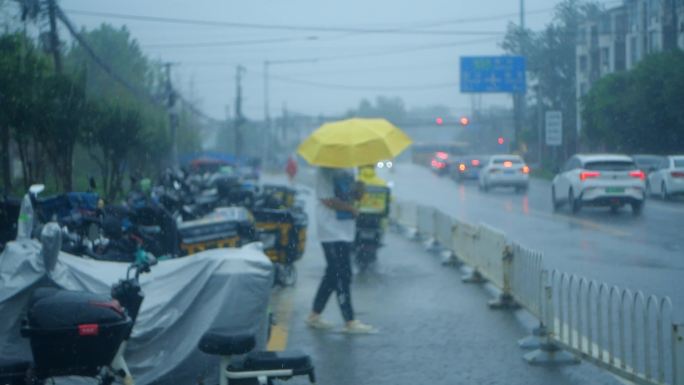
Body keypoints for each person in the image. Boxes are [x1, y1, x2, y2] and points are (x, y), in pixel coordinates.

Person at [306, 167, 374, 333]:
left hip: (345, 230)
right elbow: (328, 200)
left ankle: (314, 315)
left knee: (331, 275)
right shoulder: (324, 170)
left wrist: (358, 191)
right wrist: (350, 209)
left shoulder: (349, 169)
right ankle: (349, 320)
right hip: (330, 231)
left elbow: (351, 197)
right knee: (342, 274)